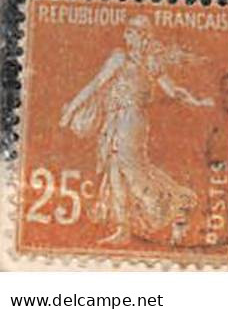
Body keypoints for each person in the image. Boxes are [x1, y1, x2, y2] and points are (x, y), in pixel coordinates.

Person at [58, 16, 214, 247]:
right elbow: (96, 84)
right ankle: (123, 229)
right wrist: (71, 108)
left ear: (143, 35)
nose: (127, 36)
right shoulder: (125, 58)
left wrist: (197, 101)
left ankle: (177, 205)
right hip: (117, 120)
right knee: (116, 172)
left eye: (132, 32)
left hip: (130, 121)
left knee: (132, 171)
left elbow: (172, 91)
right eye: (127, 32)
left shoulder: (144, 61)